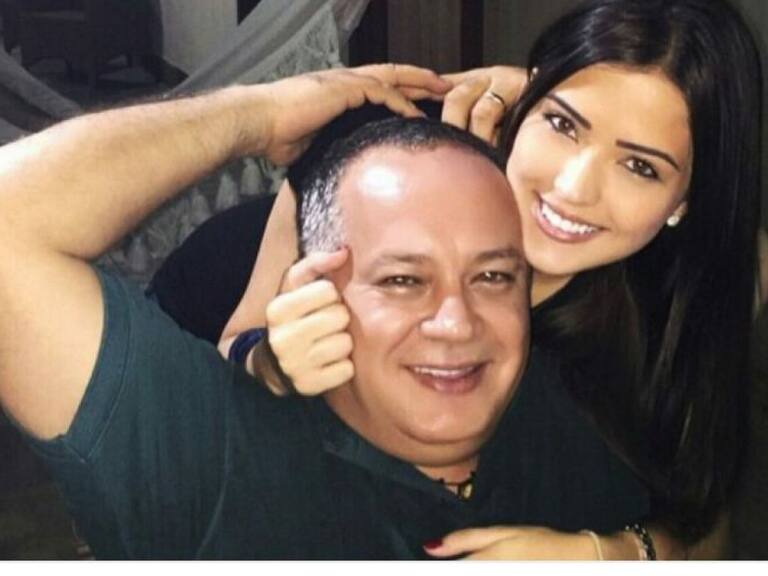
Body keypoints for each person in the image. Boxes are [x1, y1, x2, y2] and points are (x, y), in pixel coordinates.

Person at [175, 0, 764, 559]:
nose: (572, 188)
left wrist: (609, 553)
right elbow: (235, 340)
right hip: (202, 289)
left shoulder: (674, 304)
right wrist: (269, 362)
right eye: (563, 124)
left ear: (685, 201)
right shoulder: (373, 141)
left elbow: (703, 529)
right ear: (525, 103)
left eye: (639, 166)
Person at [0, 73, 655, 558]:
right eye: (403, 281)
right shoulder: (214, 461)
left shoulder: (587, 420)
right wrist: (256, 114)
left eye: (492, 276)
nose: (456, 323)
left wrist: (624, 553)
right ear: (317, 290)